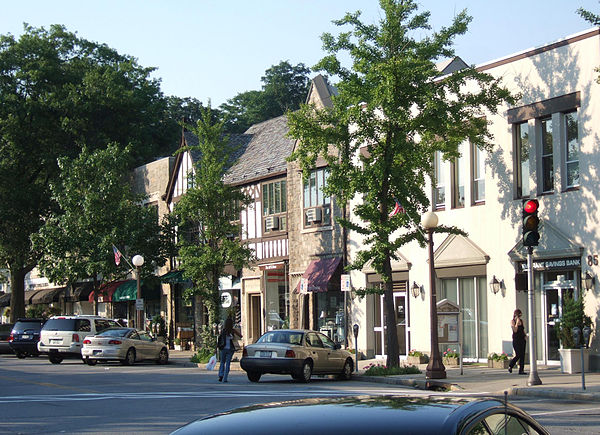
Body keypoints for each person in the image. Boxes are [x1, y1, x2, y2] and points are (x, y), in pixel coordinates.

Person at [217, 317, 242, 383]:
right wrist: (234, 337)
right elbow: (240, 336)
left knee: (222, 362)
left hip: (223, 348)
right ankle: (225, 378)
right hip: (230, 349)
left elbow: (220, 339)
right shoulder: (232, 330)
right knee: (228, 363)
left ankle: (220, 375)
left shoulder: (223, 331)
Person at [508, 308, 526, 374]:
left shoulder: (521, 321)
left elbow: (523, 329)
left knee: (522, 355)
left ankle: (521, 370)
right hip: (516, 340)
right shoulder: (512, 321)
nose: (519, 317)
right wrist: (516, 324)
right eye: (518, 316)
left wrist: (525, 335)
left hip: (522, 339)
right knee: (518, 354)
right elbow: (515, 330)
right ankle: (511, 365)